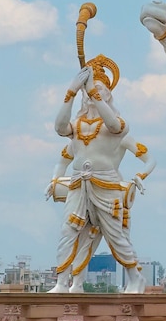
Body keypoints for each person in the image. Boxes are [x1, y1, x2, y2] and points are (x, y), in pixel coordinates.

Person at [46, 55, 156, 294]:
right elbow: (59, 129)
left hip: (106, 185)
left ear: (108, 95)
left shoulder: (117, 126)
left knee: (114, 235)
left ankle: (134, 278)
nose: (92, 93)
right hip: (78, 185)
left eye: (99, 90)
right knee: (69, 231)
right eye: (90, 90)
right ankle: (62, 282)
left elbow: (116, 127)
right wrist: (71, 92)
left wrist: (140, 175)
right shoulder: (76, 127)